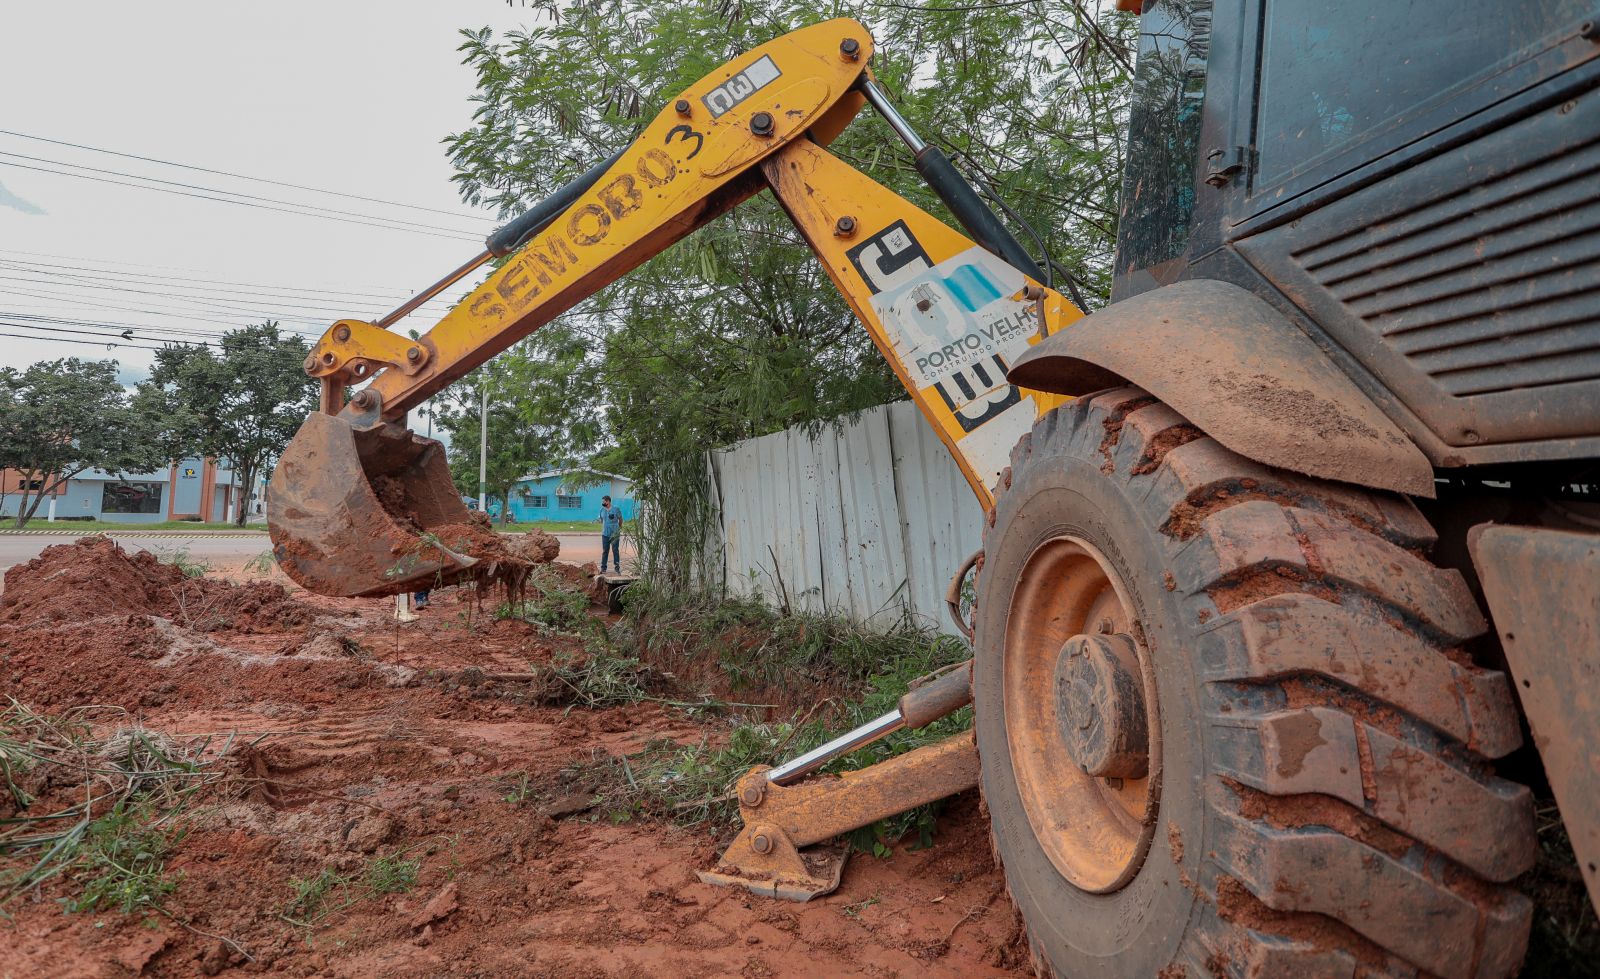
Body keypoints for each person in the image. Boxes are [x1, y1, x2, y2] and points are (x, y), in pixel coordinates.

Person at [599, 494, 623, 574]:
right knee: (605, 551)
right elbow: (601, 520)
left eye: (604, 501)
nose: (602, 503)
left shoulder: (616, 509)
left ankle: (617, 568)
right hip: (605, 534)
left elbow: (620, 519)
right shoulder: (602, 510)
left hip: (614, 534)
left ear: (608, 501)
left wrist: (618, 528)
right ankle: (603, 568)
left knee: (615, 550)